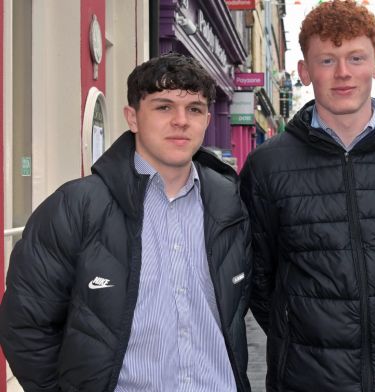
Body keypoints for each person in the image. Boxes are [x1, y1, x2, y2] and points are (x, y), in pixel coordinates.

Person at [0, 53, 252, 392]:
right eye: (163, 107)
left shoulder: (230, 205)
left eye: (194, 108)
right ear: (132, 117)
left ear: (207, 119)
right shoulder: (77, 206)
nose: (181, 120)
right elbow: (26, 324)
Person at [240, 1, 375, 390]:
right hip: (306, 377)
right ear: (304, 71)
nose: (343, 73)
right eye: (326, 60)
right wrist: (298, 334)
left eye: (356, 57)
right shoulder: (267, 165)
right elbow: (260, 277)